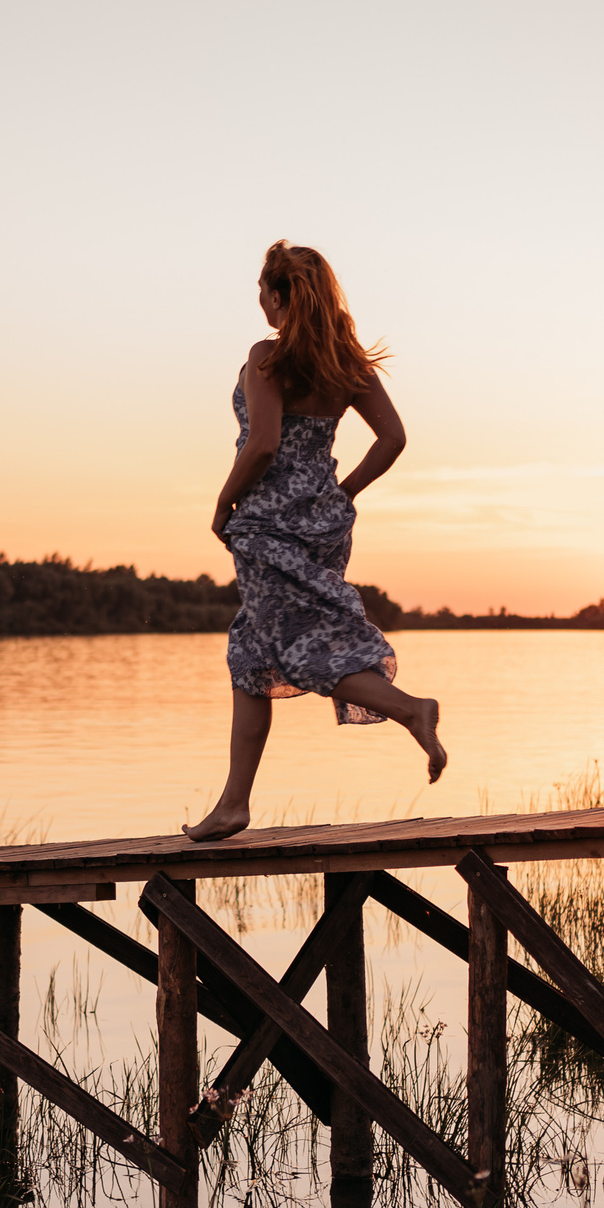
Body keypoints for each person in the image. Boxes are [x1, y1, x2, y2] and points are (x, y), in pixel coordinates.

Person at [183, 241, 446, 843]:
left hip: (269, 523)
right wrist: (343, 492)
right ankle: (233, 805)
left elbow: (264, 443)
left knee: (304, 652)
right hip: (325, 523)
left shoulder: (268, 356)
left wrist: (224, 503)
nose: (260, 303)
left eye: (262, 292)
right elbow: (392, 438)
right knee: (252, 656)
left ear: (279, 297)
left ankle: (410, 707)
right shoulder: (347, 365)